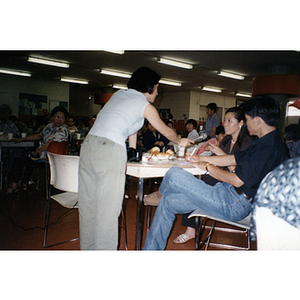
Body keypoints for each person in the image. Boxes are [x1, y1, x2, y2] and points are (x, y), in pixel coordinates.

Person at [143, 95, 288, 250]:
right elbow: (232, 159)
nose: (246, 124)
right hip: (228, 194)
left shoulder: (268, 148)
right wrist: (198, 158)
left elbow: (237, 180)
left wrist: (206, 166)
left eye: (247, 119)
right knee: (169, 201)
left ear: (258, 120)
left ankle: (160, 193)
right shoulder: (265, 142)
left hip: (235, 203)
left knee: (174, 174)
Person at [78, 66, 193, 250]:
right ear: (149, 87)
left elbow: (130, 128)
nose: (157, 92)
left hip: (88, 147)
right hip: (109, 151)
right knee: (107, 214)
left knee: (88, 209)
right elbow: (166, 130)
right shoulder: (145, 105)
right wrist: (180, 141)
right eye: (156, 87)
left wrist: (132, 151)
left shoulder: (119, 95)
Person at [173, 107, 255, 243]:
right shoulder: (226, 140)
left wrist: (220, 155)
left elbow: (238, 174)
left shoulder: (248, 143)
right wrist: (196, 159)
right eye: (224, 120)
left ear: (241, 123)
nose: (225, 124)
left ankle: (190, 229)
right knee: (196, 182)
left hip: (236, 188)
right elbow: (214, 160)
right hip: (221, 177)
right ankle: (190, 227)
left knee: (198, 186)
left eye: (229, 121)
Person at [6, 106, 69, 194]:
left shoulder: (63, 130)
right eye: (57, 117)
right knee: (26, 159)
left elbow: (48, 144)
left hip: (50, 158)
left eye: (62, 118)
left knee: (21, 160)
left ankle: (14, 185)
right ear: (52, 117)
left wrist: (36, 152)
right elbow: (39, 135)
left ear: (65, 120)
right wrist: (23, 139)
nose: (59, 119)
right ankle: (23, 184)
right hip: (42, 156)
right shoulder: (49, 126)